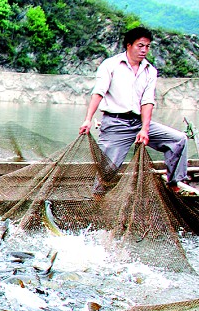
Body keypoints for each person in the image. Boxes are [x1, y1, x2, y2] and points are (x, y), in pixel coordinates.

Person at [79, 26, 188, 194]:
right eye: (140, 45)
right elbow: (98, 92)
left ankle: (174, 184)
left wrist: (145, 129)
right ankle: (97, 198)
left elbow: (147, 101)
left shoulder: (150, 70)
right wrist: (88, 119)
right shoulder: (111, 65)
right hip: (115, 124)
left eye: (147, 46)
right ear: (129, 45)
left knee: (178, 140)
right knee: (107, 171)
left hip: (138, 122)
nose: (144, 50)